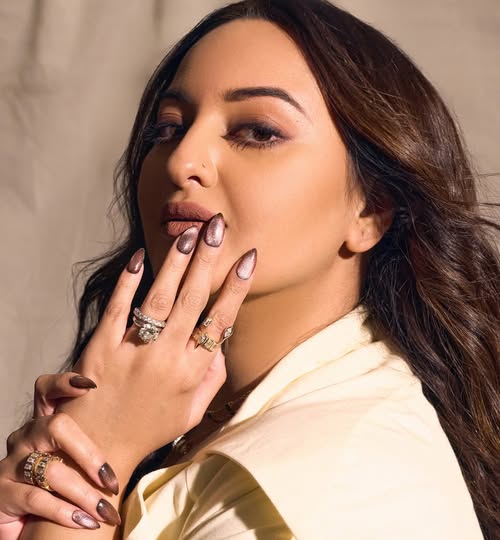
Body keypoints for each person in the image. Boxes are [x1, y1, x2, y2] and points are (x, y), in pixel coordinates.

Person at [0, 0, 498, 538]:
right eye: (168, 129)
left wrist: (94, 456)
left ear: (371, 210)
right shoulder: (198, 426)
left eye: (258, 132)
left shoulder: (344, 484)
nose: (182, 161)